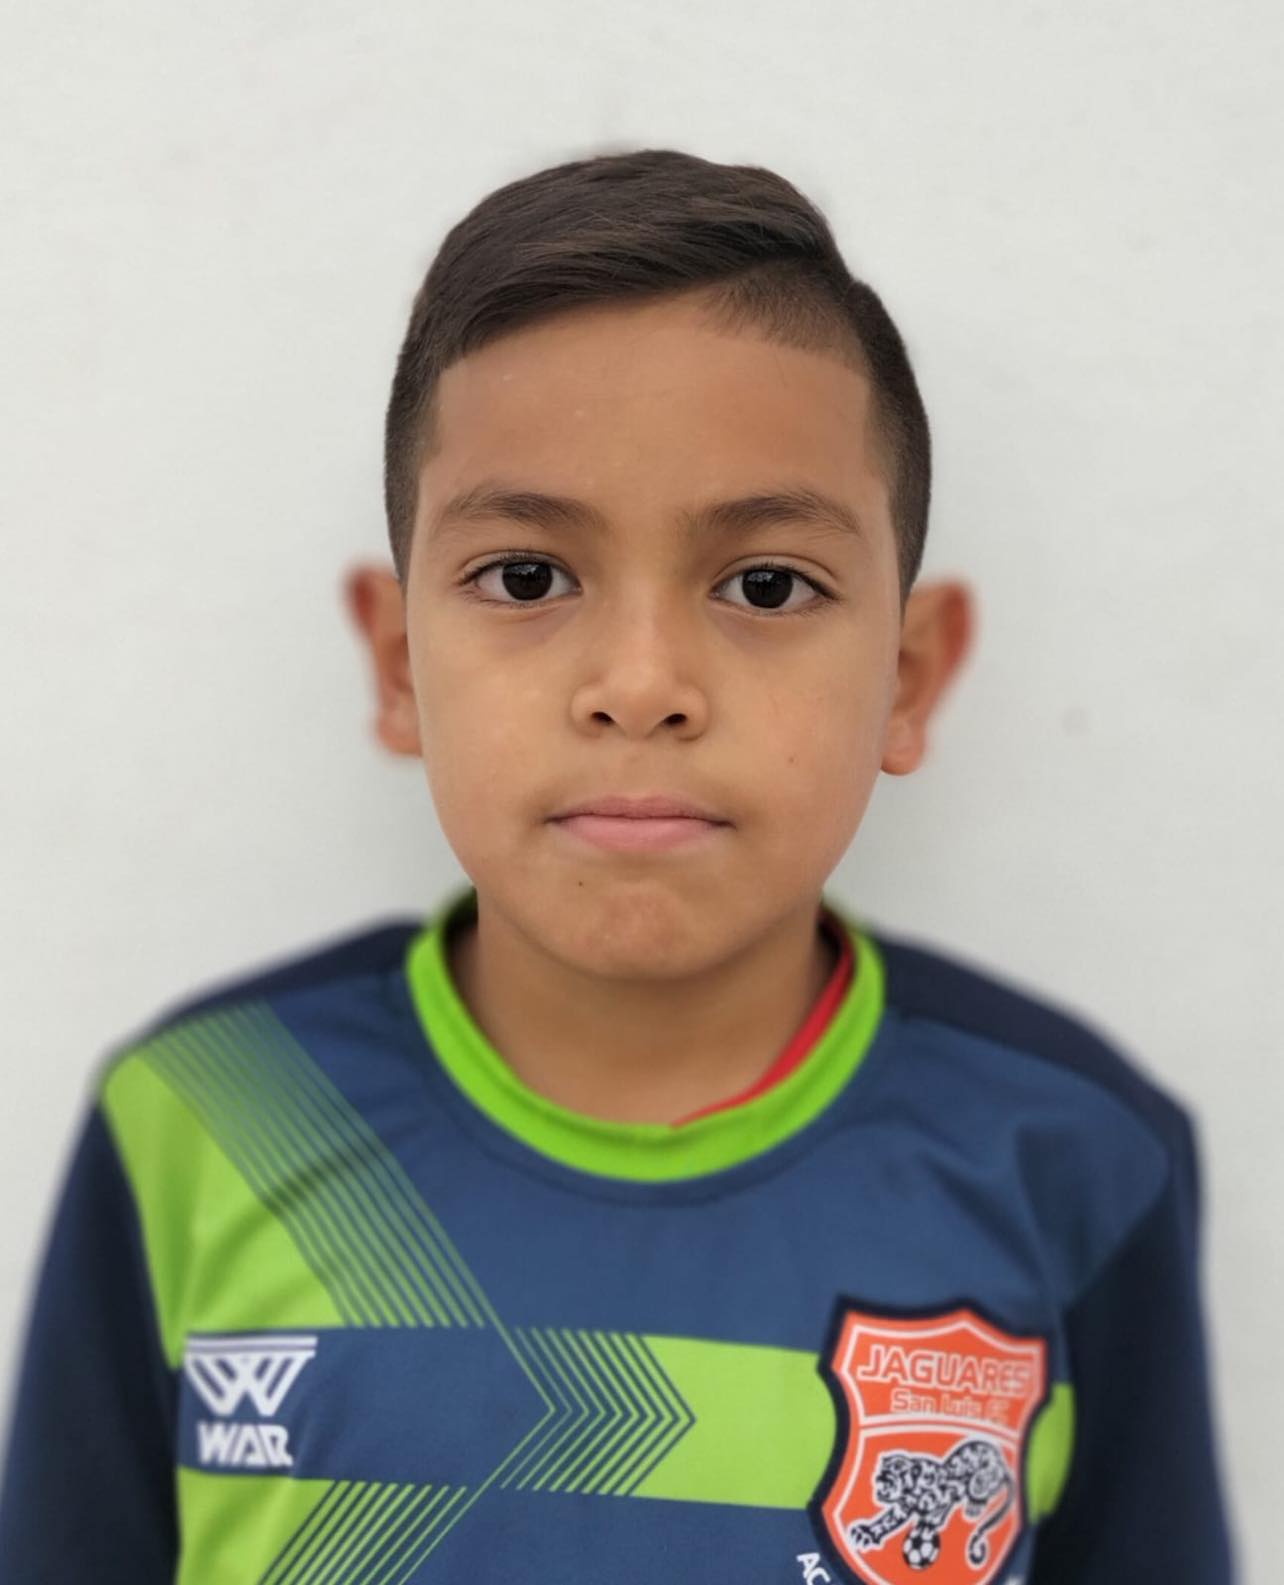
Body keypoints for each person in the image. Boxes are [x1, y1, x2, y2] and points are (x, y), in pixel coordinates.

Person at [0, 148, 1235, 1584]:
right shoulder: (207, 1120)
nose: (641, 685)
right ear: (400, 666)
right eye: (527, 577)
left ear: (907, 677)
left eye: (765, 584)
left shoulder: (1075, 1153)